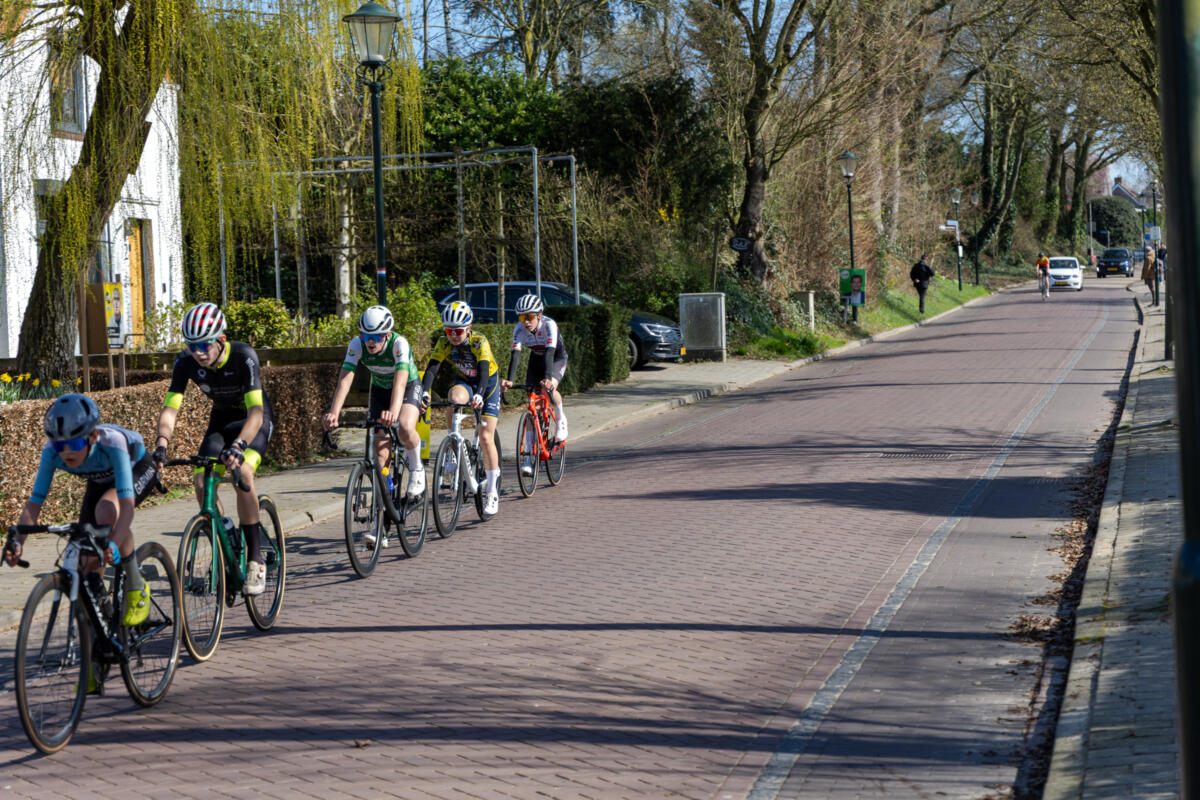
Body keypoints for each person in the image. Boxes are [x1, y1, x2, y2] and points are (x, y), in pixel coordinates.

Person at [4, 395, 158, 628]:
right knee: (88, 561)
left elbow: (126, 507)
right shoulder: (51, 453)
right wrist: (19, 541)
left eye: (74, 444)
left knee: (107, 511)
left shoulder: (112, 444)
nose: (66, 452)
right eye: (58, 445)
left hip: (137, 467)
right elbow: (34, 503)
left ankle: (136, 585)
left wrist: (114, 543)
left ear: (93, 436)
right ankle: (104, 629)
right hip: (100, 481)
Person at [152, 302, 274, 595]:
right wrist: (160, 446)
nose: (198, 352)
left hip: (252, 420)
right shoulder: (186, 363)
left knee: (243, 474)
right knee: (200, 480)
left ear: (220, 339)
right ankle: (228, 534)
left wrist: (239, 445)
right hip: (221, 420)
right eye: (192, 345)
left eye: (204, 345)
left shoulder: (244, 356)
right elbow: (171, 409)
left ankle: (257, 560)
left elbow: (256, 412)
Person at [322, 306, 425, 518]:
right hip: (379, 390)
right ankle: (385, 501)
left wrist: (394, 412)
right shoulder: (357, 344)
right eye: (366, 335)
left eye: (376, 336)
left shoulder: (399, 344)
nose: (370, 341)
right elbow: (346, 377)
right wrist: (334, 412)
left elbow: (401, 379)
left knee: (405, 426)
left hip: (406, 387)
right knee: (380, 451)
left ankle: (417, 469)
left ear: (387, 334)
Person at [419, 301, 502, 517]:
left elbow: (484, 371)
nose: (453, 335)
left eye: (457, 331)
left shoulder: (479, 341)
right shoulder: (443, 343)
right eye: (449, 331)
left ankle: (492, 491)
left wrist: (479, 395)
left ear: (468, 327)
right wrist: (424, 392)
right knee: (454, 398)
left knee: (485, 437)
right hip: (465, 381)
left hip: (488, 385)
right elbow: (432, 368)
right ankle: (452, 449)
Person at [500, 294, 569, 478]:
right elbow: (515, 355)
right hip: (536, 361)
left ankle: (561, 421)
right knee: (532, 407)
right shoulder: (519, 330)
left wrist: (548, 379)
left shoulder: (549, 325)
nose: (525, 322)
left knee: (549, 389)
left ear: (539, 315)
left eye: (529, 317)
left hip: (555, 359)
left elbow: (550, 354)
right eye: (521, 318)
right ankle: (528, 458)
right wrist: (510, 379)